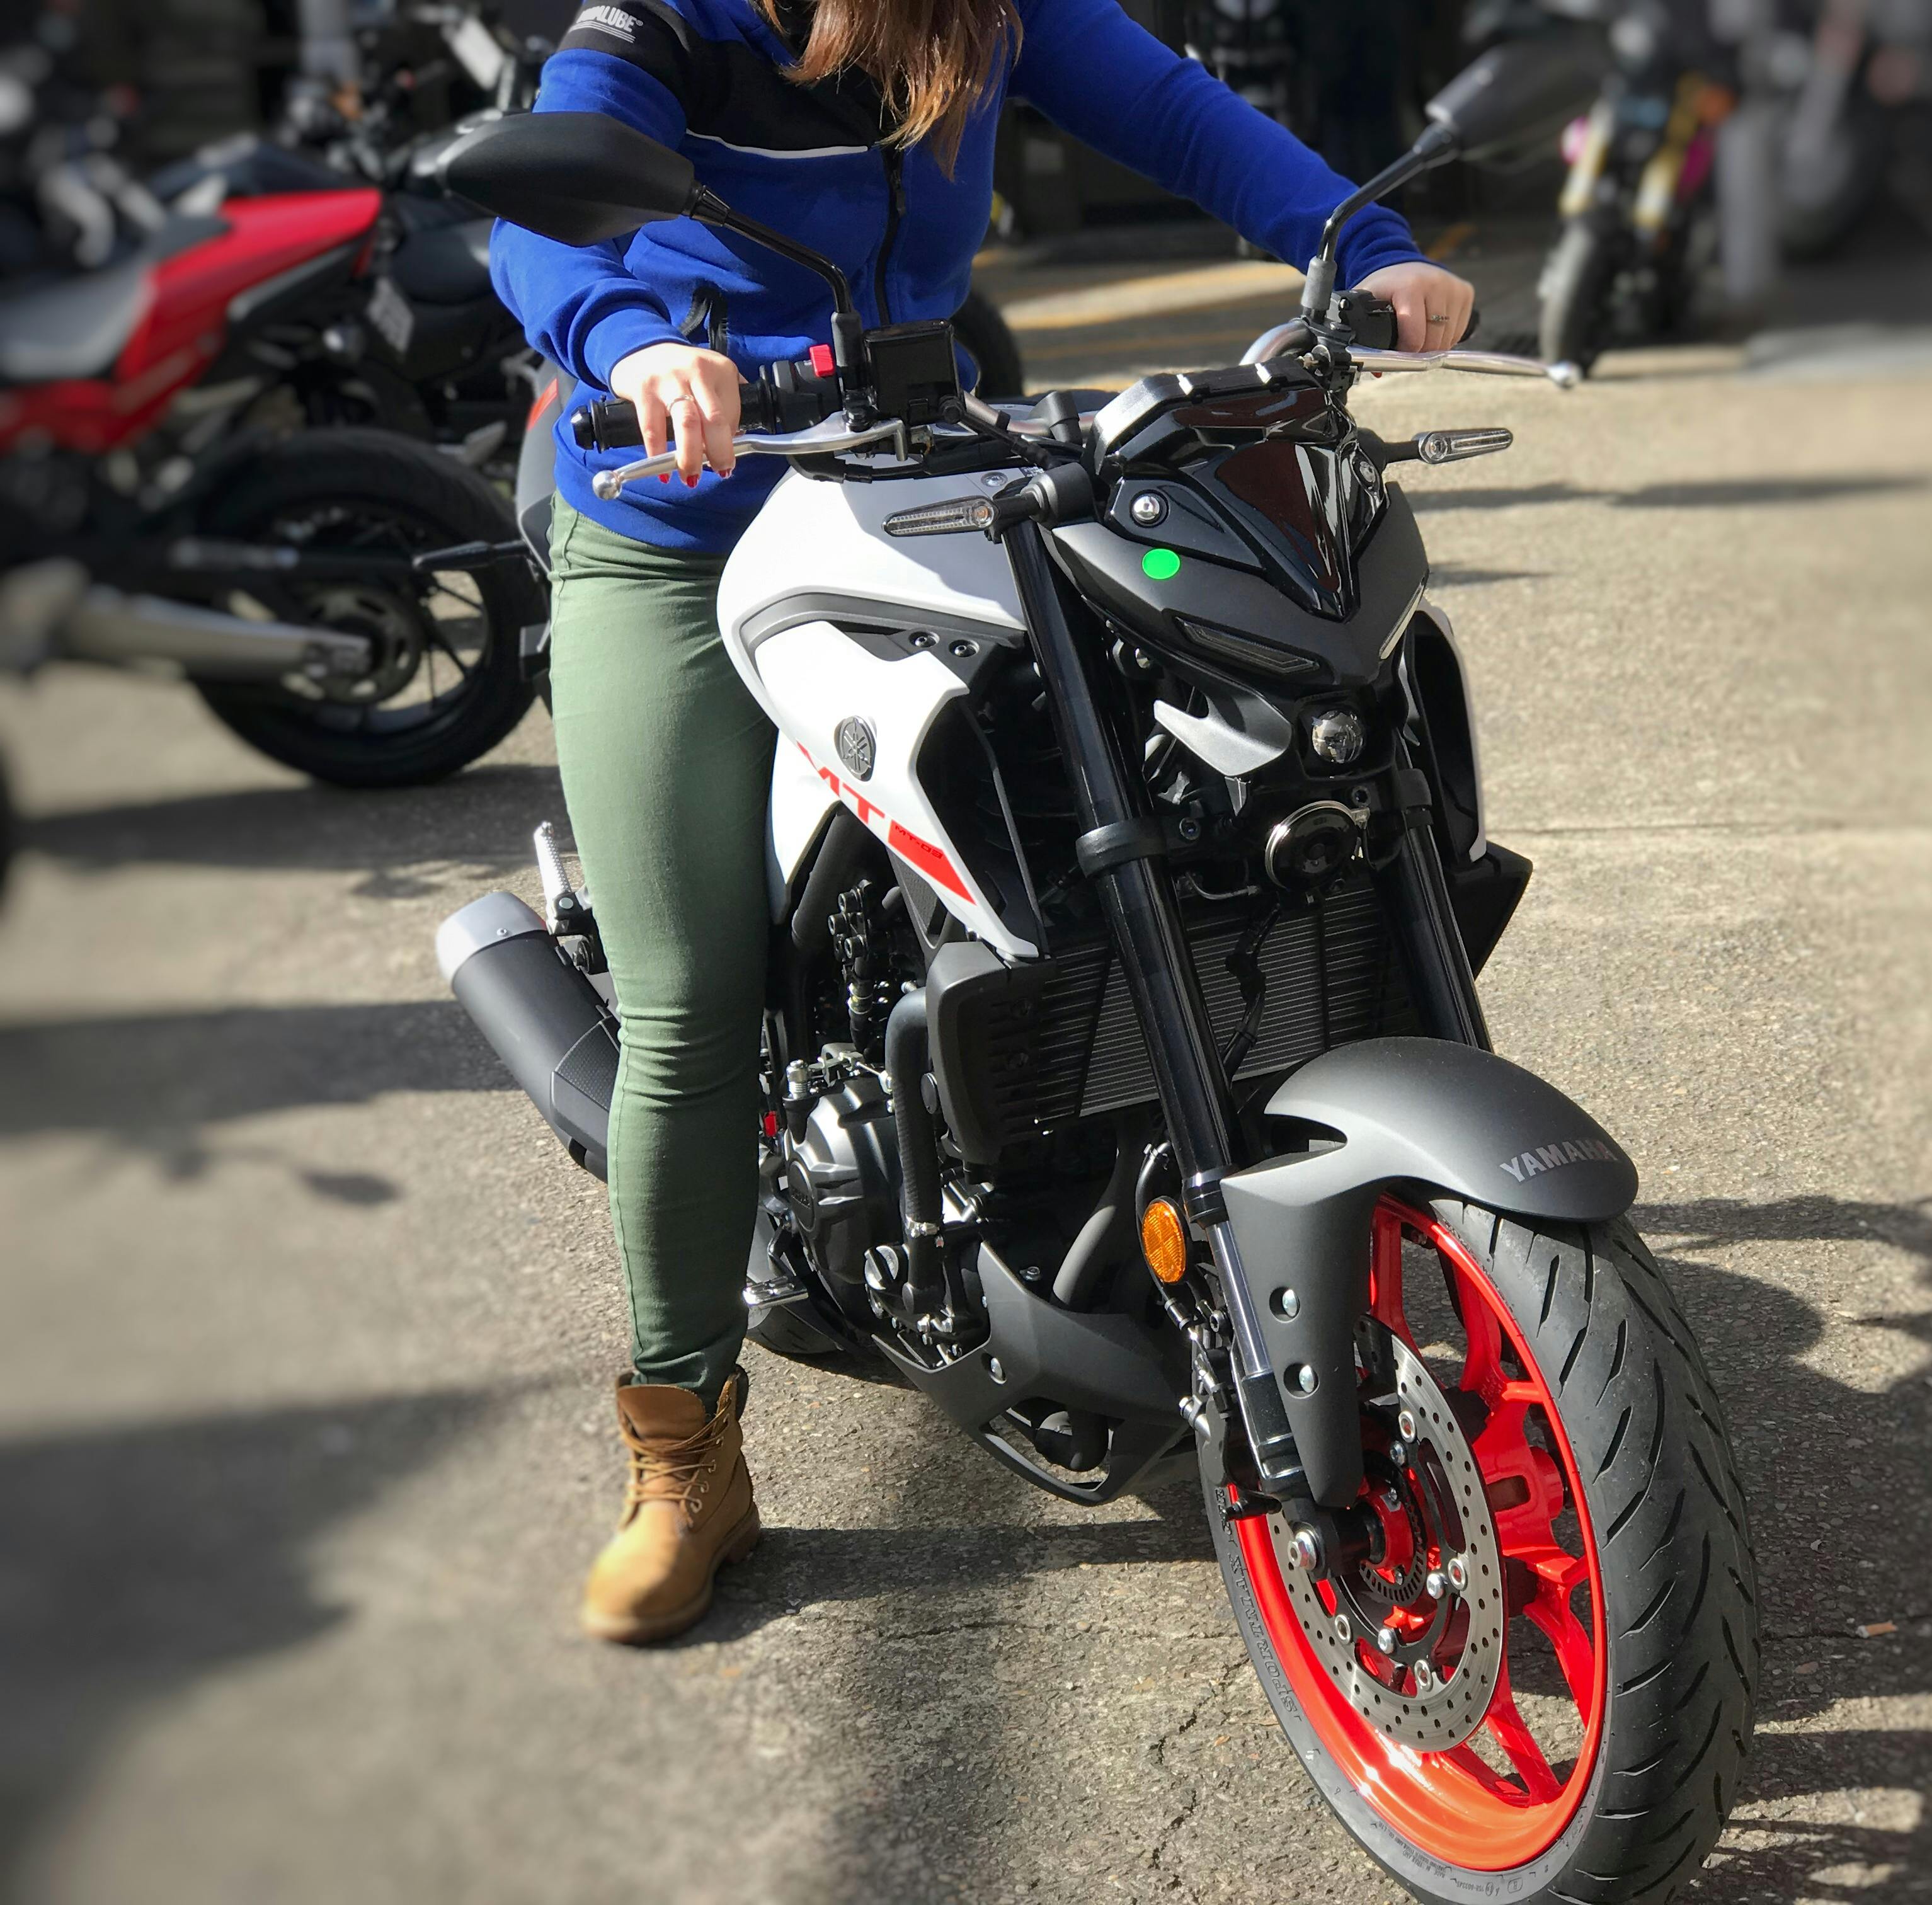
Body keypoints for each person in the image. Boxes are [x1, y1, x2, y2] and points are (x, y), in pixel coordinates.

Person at [488, 0, 1474, 1645]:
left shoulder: (993, 13)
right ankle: (686, 1452)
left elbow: (1182, 119)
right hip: (675, 507)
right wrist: (634, 335)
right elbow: (546, 187)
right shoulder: (674, 22)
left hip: (916, 470)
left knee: (1160, 823)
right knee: (688, 1003)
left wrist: (1357, 242)